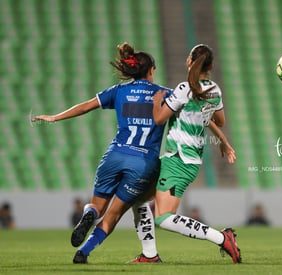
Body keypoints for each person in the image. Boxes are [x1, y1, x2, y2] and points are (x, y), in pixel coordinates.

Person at [32, 42, 171, 264]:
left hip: (114, 156)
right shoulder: (165, 94)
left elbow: (86, 106)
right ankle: (83, 252)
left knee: (96, 205)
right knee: (114, 215)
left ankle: (90, 215)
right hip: (142, 162)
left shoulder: (118, 91)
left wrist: (55, 117)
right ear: (151, 70)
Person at [150, 44, 241, 264]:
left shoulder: (184, 89)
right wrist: (224, 140)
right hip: (189, 159)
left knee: (163, 218)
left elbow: (160, 119)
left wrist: (156, 102)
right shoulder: (214, 90)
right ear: (211, 66)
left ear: (190, 60)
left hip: (178, 158)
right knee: (140, 198)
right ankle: (148, 254)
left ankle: (221, 237)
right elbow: (219, 120)